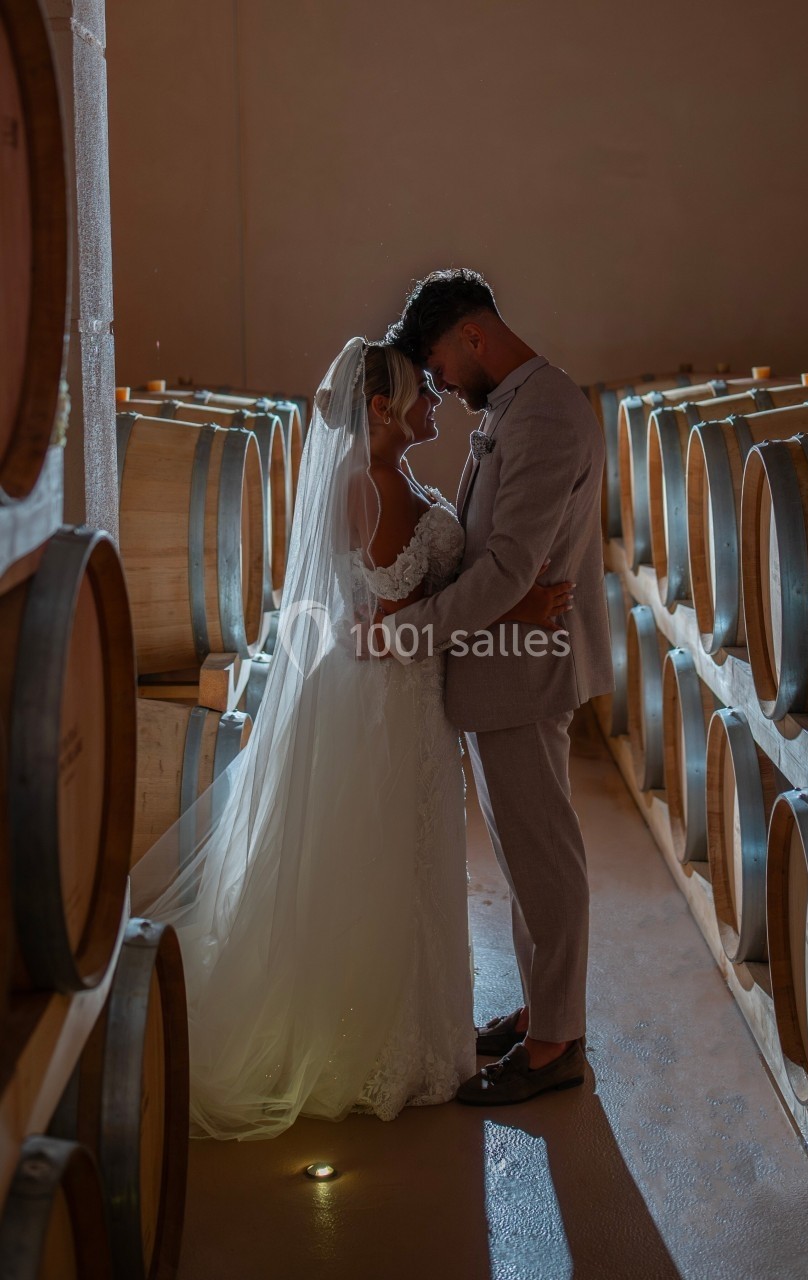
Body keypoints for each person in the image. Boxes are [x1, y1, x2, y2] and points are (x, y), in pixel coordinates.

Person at [131, 336, 567, 1138]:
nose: (435, 400)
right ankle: (390, 1044)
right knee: (394, 857)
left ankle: (397, 1029)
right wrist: (519, 612)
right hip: (391, 701)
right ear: (379, 407)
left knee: (386, 856)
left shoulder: (378, 478)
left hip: (384, 699)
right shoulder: (379, 487)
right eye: (421, 393)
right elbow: (389, 632)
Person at [384, 269, 614, 1105]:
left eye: (440, 361)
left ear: (473, 335)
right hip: (502, 663)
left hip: (522, 669)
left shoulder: (546, 411)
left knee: (542, 853)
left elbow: (513, 565)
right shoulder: (519, 403)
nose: (440, 380)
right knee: (524, 853)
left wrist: (408, 630)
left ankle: (557, 1047)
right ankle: (542, 1008)